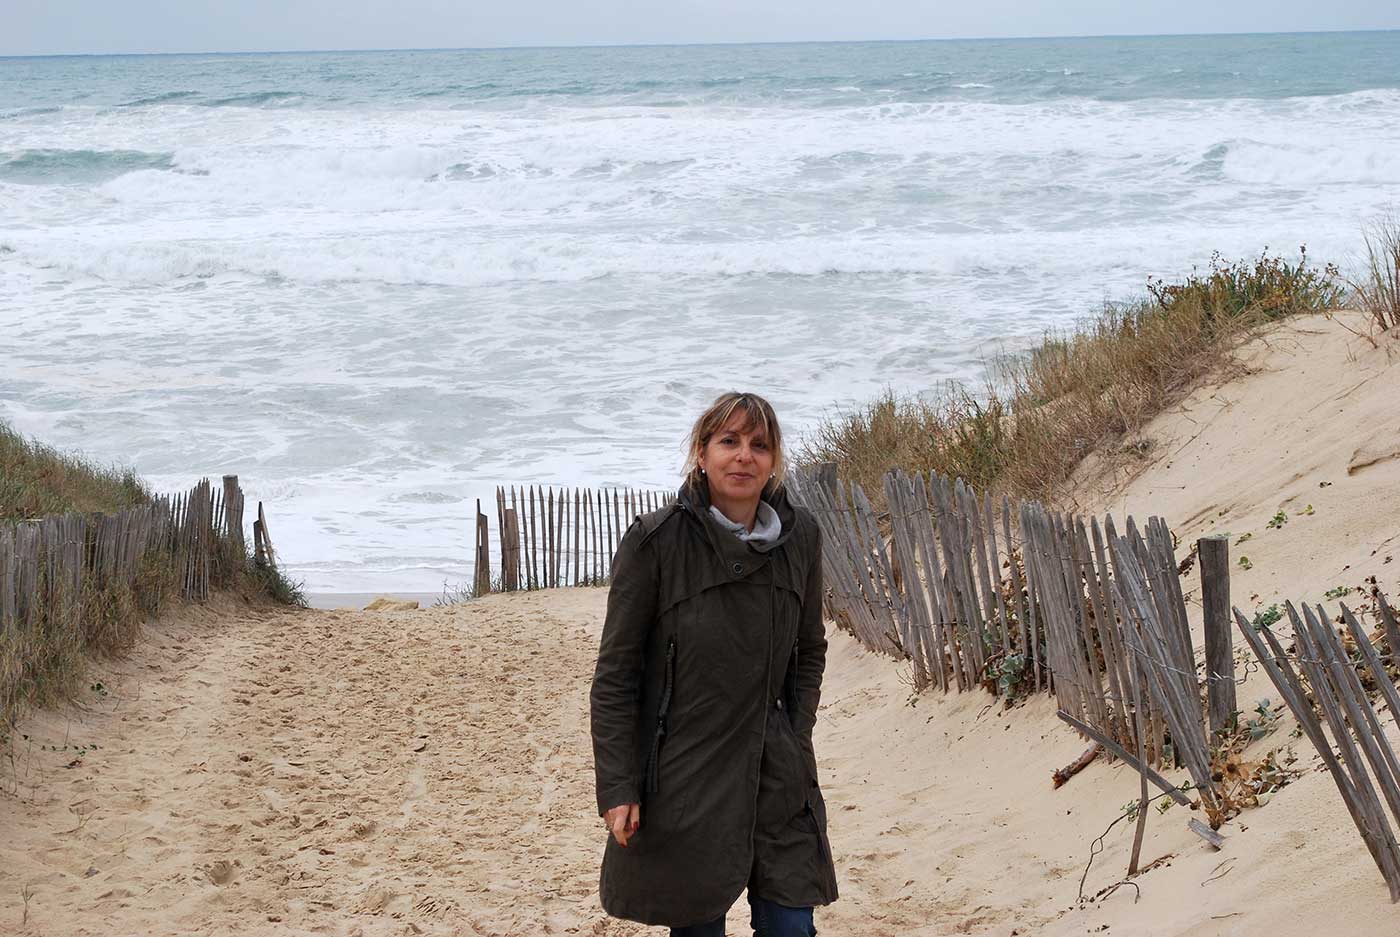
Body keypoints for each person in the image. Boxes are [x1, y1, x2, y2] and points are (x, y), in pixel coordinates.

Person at [589, 391, 838, 936]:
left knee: (791, 926)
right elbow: (616, 676)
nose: (744, 456)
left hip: (776, 768)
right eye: (729, 441)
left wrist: (795, 734)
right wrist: (619, 786)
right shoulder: (655, 541)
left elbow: (809, 650)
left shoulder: (801, 538)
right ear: (702, 454)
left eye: (759, 445)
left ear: (773, 461)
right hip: (686, 774)